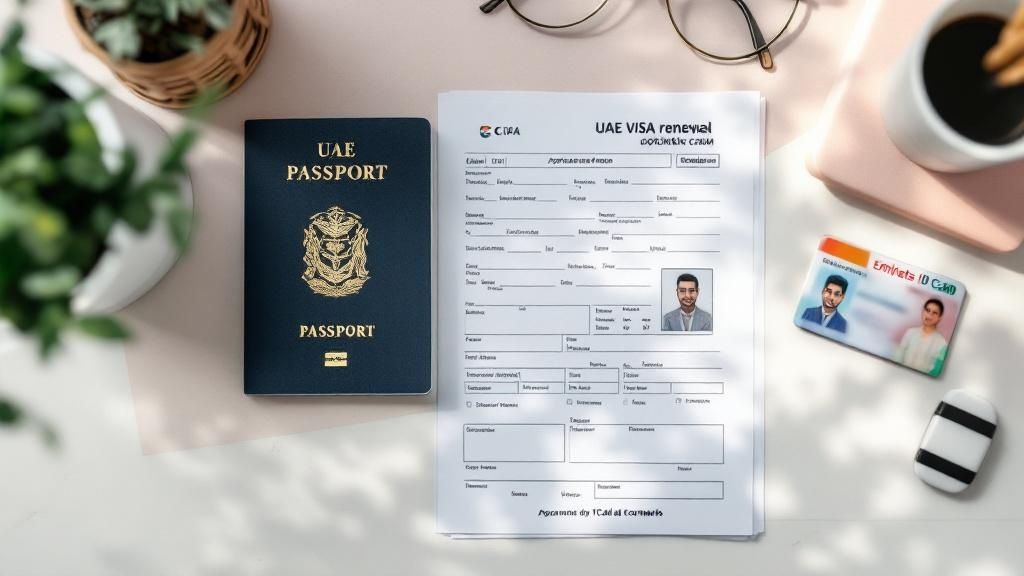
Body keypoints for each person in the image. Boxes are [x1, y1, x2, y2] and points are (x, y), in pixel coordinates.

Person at [894, 298, 948, 374]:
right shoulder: (910, 333)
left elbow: (936, 371)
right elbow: (898, 356)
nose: (929, 315)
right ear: (923, 312)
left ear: (940, 318)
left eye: (935, 313)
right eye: (927, 310)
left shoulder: (942, 343)